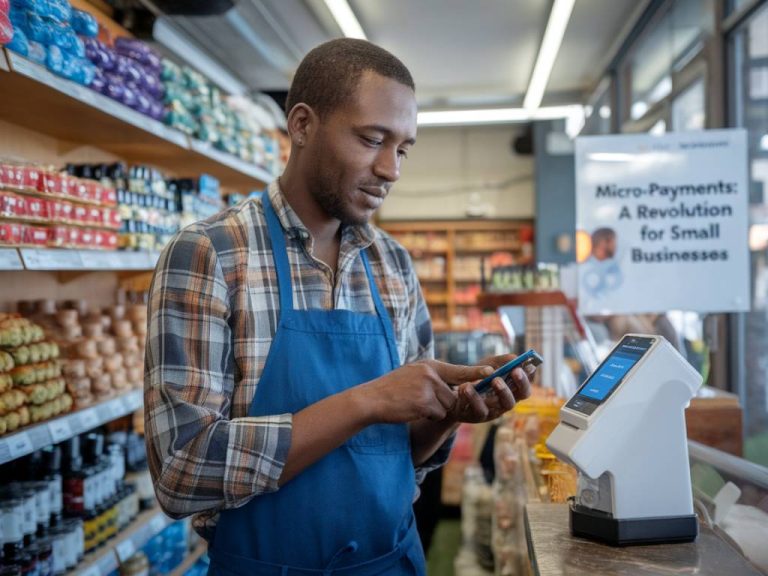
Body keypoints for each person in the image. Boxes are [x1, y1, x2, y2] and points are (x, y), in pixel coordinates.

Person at [144, 38, 534, 576]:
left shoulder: (393, 265)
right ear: (302, 125)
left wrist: (448, 417)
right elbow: (181, 472)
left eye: (403, 149)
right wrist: (368, 401)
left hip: (389, 563)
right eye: (373, 139)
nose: (391, 169)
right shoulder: (211, 254)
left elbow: (396, 458)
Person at [581, 226, 623, 301]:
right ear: (603, 243)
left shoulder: (613, 267)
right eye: (613, 242)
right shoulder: (585, 267)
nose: (615, 246)